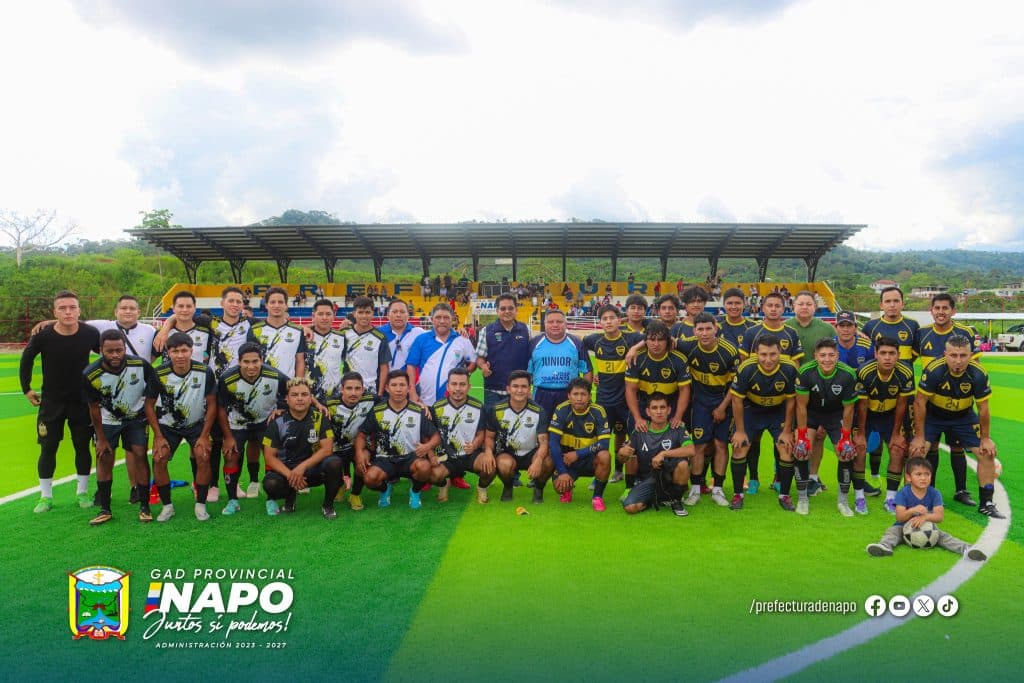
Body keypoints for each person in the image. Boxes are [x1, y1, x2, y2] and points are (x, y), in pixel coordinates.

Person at [20, 290, 100, 513]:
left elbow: (107, 353)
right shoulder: (43, 336)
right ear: (54, 311)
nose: (68, 311)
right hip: (52, 403)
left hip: (81, 402)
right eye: (62, 308)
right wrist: (26, 388)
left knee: (82, 447)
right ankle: (45, 496)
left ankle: (82, 492)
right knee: (48, 448)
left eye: (72, 307)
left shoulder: (89, 333)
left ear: (79, 310)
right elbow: (27, 359)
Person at [909, 336, 1004, 518]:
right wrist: (919, 436)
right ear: (945, 354)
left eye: (963, 355)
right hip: (934, 415)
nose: (958, 361)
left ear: (971, 355)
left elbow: (983, 407)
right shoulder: (934, 370)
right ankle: (917, 501)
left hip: (963, 417)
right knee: (918, 451)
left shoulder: (978, 373)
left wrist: (985, 438)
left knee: (987, 453)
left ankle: (987, 503)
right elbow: (920, 402)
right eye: (953, 355)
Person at [82, 329, 158, 525]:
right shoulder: (91, 373)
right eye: (110, 351)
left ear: (125, 348)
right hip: (108, 422)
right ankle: (105, 509)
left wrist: (146, 406)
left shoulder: (140, 364)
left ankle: (144, 506)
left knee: (140, 455)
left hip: (135, 419)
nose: (115, 355)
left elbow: (154, 386)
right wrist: (100, 438)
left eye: (119, 350)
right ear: (101, 350)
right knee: (104, 458)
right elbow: (93, 408)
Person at [913, 292, 981, 506]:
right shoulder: (922, 333)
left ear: (953, 311)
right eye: (937, 308)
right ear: (931, 310)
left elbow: (976, 368)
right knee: (930, 446)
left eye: (945, 308)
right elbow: (907, 359)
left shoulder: (965, 332)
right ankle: (930, 491)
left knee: (958, 447)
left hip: (960, 402)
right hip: (932, 402)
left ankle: (961, 490)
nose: (941, 312)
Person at [144, 332, 218, 522]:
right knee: (159, 458)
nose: (180, 355)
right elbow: (149, 405)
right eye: (175, 351)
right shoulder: (159, 372)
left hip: (195, 425)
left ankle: (201, 505)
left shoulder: (204, 371)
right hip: (168, 426)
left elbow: (212, 404)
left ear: (191, 351)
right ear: (168, 352)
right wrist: (158, 436)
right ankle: (167, 506)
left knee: (203, 455)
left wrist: (204, 435)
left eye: (184, 350)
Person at [866, 457, 987, 560]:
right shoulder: (903, 493)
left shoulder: (935, 493)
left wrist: (925, 517)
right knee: (892, 532)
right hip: (903, 526)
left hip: (927, 527)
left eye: (927, 474)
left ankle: (967, 549)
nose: (923, 478)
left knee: (943, 536)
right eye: (918, 474)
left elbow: (939, 516)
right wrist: (912, 510)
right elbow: (899, 516)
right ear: (908, 477)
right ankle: (885, 547)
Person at [729, 335, 798, 512]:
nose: (768, 359)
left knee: (786, 447)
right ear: (756, 354)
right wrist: (740, 431)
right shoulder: (746, 368)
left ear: (780, 353)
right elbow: (736, 401)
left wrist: (788, 430)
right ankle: (738, 495)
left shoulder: (789, 368)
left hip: (778, 411)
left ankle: (784, 495)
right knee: (740, 446)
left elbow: (791, 401)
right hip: (752, 410)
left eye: (773, 354)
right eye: (764, 354)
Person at [217, 342, 290, 511]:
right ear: (239, 362)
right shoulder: (227, 379)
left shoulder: (274, 375)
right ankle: (232, 500)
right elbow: (220, 409)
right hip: (237, 424)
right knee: (230, 456)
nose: (251, 366)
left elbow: (293, 390)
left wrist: (281, 408)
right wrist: (227, 437)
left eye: (255, 361)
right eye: (246, 362)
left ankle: (271, 498)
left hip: (265, 423)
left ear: (262, 360)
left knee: (272, 458)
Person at [676, 313, 738, 506]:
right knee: (699, 446)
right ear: (694, 331)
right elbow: (661, 340)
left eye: (708, 329)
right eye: (700, 329)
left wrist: (722, 408)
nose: (704, 333)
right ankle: (695, 489)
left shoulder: (729, 351)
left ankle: (718, 489)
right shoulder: (688, 344)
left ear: (716, 328)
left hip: (722, 402)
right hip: (700, 403)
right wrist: (634, 349)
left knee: (720, 444)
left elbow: (735, 386)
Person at [794, 339, 861, 517]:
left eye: (831, 355)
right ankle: (802, 499)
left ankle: (843, 501)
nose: (827, 359)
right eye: (822, 355)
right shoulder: (805, 372)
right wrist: (801, 435)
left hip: (835, 415)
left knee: (845, 452)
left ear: (837, 356)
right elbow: (801, 406)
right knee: (801, 450)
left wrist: (846, 437)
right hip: (811, 413)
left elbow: (849, 409)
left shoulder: (847, 374)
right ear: (815, 356)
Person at [355, 370, 440, 510]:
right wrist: (359, 452)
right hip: (385, 459)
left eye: (402, 385)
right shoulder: (378, 411)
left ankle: (415, 491)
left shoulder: (418, 410)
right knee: (369, 478)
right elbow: (362, 434)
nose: (398, 389)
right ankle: (385, 489)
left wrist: (427, 447)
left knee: (425, 468)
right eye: (394, 385)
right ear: (387, 388)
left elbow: (436, 436)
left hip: (411, 458)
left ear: (409, 388)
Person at [262, 376, 342, 518]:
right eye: (294, 395)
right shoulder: (277, 422)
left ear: (311, 398)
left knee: (334, 463)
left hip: (313, 470)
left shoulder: (320, 418)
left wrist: (302, 467)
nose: (300, 398)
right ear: (287, 398)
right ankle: (290, 498)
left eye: (304, 394)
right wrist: (291, 475)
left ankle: (328, 505)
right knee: (271, 484)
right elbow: (269, 457)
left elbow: (327, 449)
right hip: (288, 471)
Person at [582, 305, 644, 484]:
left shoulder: (630, 338)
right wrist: (592, 371)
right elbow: (579, 346)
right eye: (604, 319)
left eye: (612, 318)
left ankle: (620, 471)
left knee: (626, 436)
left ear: (619, 319)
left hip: (626, 400)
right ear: (600, 322)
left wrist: (634, 349)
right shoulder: (595, 340)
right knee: (600, 438)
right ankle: (598, 474)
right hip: (603, 400)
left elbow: (650, 337)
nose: (608, 322)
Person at [855, 337, 915, 514]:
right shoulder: (864, 371)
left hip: (890, 416)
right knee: (859, 449)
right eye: (883, 353)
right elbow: (862, 406)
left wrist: (896, 433)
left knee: (897, 449)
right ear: (875, 354)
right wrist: (859, 432)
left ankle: (890, 498)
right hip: (868, 415)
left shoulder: (905, 372)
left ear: (898, 355)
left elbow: (902, 404)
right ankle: (859, 497)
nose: (887, 357)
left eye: (892, 353)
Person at [618, 393, 694, 517]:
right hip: (649, 480)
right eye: (654, 408)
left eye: (662, 407)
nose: (659, 412)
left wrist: (663, 453)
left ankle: (676, 500)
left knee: (683, 464)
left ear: (669, 410)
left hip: (670, 478)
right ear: (648, 411)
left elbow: (691, 450)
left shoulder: (677, 428)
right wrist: (622, 454)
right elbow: (622, 458)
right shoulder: (640, 430)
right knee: (630, 507)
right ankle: (656, 499)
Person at [483, 370, 552, 503]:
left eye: (523, 386)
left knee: (548, 461)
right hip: (507, 453)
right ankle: (508, 487)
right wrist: (488, 452)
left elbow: (544, 442)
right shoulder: (496, 409)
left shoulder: (539, 411)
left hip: (532, 452)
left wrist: (538, 460)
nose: (519, 390)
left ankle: (539, 488)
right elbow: (490, 436)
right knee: (503, 464)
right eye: (515, 386)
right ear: (508, 389)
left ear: (529, 389)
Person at [547, 378, 612, 511]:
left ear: (589, 396)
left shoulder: (598, 411)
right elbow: (553, 443)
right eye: (575, 394)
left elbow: (604, 443)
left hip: (590, 459)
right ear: (569, 396)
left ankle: (597, 497)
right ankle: (567, 488)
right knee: (559, 487)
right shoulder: (561, 410)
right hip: (568, 460)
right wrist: (562, 472)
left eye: (583, 394)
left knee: (605, 456)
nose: (579, 398)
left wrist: (578, 453)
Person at [429, 368, 487, 502]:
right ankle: (444, 485)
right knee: (430, 474)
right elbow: (431, 435)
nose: (458, 388)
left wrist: (474, 445)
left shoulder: (478, 407)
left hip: (471, 455)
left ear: (469, 387)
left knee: (489, 466)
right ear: (448, 386)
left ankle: (482, 487)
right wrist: (432, 455)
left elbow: (481, 434)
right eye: (454, 384)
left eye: (462, 384)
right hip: (446, 457)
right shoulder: (437, 408)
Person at [624, 321, 691, 434]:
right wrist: (638, 418)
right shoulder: (637, 358)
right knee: (634, 448)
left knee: (672, 447)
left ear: (667, 341)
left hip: (670, 408)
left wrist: (678, 416)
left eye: (660, 340)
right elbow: (630, 390)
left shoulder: (679, 360)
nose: (656, 344)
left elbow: (684, 390)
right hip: (643, 407)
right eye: (652, 339)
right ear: (645, 341)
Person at [405, 303, 476, 408]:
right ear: (432, 319)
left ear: (452, 319)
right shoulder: (421, 339)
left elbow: (473, 363)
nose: (442, 321)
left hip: (454, 402)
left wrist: (463, 374)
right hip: (425, 401)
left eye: (446, 317)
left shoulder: (462, 340)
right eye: (438, 317)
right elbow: (411, 365)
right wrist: (412, 391)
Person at [527, 309, 592, 419]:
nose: (555, 325)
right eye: (551, 322)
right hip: (541, 395)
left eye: (559, 322)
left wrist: (584, 394)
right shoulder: (534, 343)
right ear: (545, 324)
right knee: (542, 432)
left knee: (569, 431)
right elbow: (526, 372)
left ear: (566, 324)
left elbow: (587, 370)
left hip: (568, 394)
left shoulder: (576, 342)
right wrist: (527, 395)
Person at [325, 372, 376, 510]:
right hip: (336, 448)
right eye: (349, 388)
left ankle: (355, 494)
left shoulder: (371, 399)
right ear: (342, 389)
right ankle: (340, 484)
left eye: (357, 388)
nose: (353, 393)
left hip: (358, 446)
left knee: (364, 459)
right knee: (334, 465)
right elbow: (307, 406)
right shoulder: (330, 403)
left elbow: (394, 402)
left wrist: (420, 405)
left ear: (363, 389)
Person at [476, 293, 532, 411]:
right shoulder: (486, 331)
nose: (507, 311)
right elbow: (479, 358)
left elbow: (533, 357)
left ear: (516, 310)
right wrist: (483, 366)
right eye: (503, 308)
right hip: (493, 390)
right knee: (492, 427)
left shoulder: (526, 330)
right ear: (497, 311)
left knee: (519, 426)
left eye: (510, 308)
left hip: (519, 390)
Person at [247, 286, 307, 379]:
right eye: (272, 302)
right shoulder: (255, 330)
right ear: (266, 305)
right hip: (261, 387)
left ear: (286, 305)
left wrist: (298, 385)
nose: (276, 305)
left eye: (280, 302)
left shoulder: (298, 331)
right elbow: (250, 361)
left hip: (288, 386)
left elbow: (300, 360)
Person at [861, 286, 919, 370]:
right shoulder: (870, 326)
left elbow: (915, 354)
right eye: (888, 301)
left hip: (905, 379)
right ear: (881, 305)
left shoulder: (912, 325)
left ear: (902, 304)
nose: (892, 305)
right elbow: (863, 351)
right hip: (878, 379)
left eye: (896, 301)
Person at [343, 296, 391, 396]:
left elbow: (384, 368)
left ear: (373, 314)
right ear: (354, 314)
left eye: (368, 312)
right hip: (346, 391)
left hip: (369, 391)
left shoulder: (380, 338)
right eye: (360, 312)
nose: (364, 316)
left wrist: (380, 394)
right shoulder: (344, 334)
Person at [305, 298, 348, 402]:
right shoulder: (304, 337)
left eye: (328, 314)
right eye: (320, 314)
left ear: (333, 316)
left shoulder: (342, 337)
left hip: (335, 397)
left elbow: (345, 364)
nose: (324, 318)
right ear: (313, 316)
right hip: (309, 396)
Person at [157, 290, 215, 365]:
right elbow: (150, 358)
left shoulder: (206, 333)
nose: (185, 310)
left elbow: (208, 354)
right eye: (181, 306)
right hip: (169, 376)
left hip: (198, 376)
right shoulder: (163, 334)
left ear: (194, 308)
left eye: (189, 306)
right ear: (173, 308)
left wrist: (202, 357)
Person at [785, 290, 835, 363]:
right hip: (790, 373)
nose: (804, 307)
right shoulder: (784, 327)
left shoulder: (828, 329)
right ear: (793, 305)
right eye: (801, 304)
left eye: (809, 304)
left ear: (815, 306)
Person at [380, 299, 426, 372]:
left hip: (410, 380)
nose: (398, 315)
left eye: (402, 312)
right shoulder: (379, 333)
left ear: (408, 315)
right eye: (394, 312)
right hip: (384, 380)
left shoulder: (419, 333)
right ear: (388, 315)